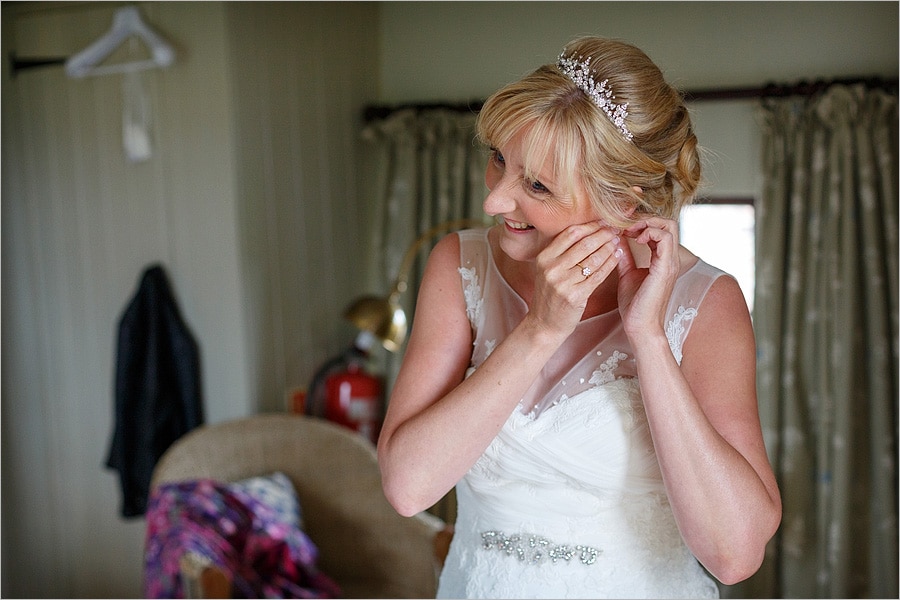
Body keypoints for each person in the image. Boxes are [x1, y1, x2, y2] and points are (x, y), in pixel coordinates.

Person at [376, 36, 781, 599]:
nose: (494, 201)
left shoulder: (708, 303)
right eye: (499, 159)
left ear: (625, 201)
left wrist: (650, 341)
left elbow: (735, 555)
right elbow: (407, 487)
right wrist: (539, 331)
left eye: (536, 185)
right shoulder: (458, 266)